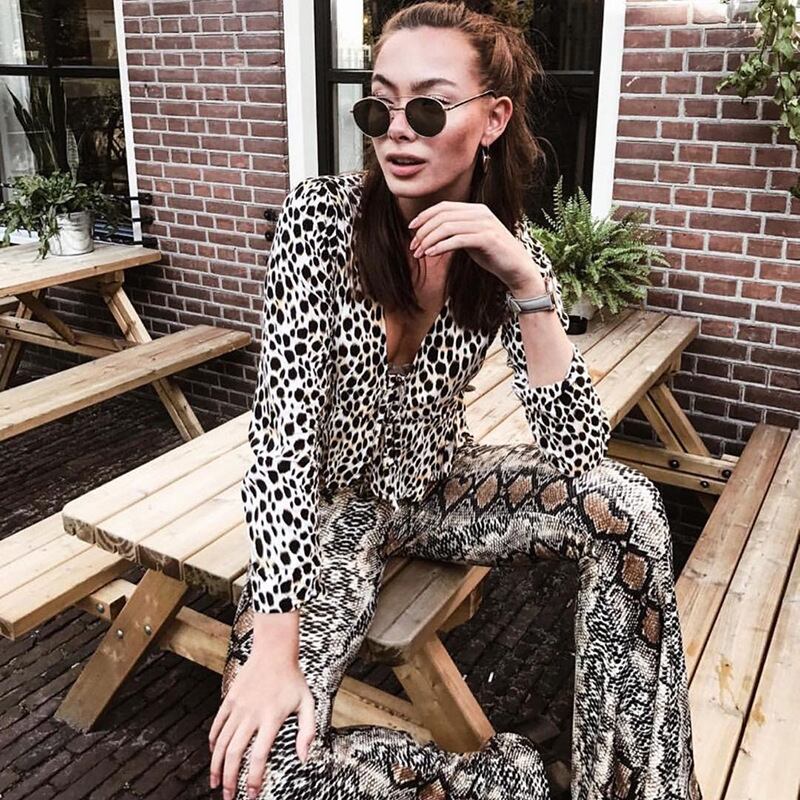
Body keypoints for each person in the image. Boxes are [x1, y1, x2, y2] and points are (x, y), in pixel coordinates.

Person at [208, 3, 702, 799]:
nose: (398, 131)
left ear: (493, 119)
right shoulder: (319, 221)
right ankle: (498, 781)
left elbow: (576, 449)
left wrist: (526, 281)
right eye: (379, 107)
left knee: (628, 507)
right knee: (264, 771)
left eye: (430, 107)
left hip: (441, 486)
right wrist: (273, 649)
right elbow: (281, 447)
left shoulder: (502, 249)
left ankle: (632, 788)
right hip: (331, 517)